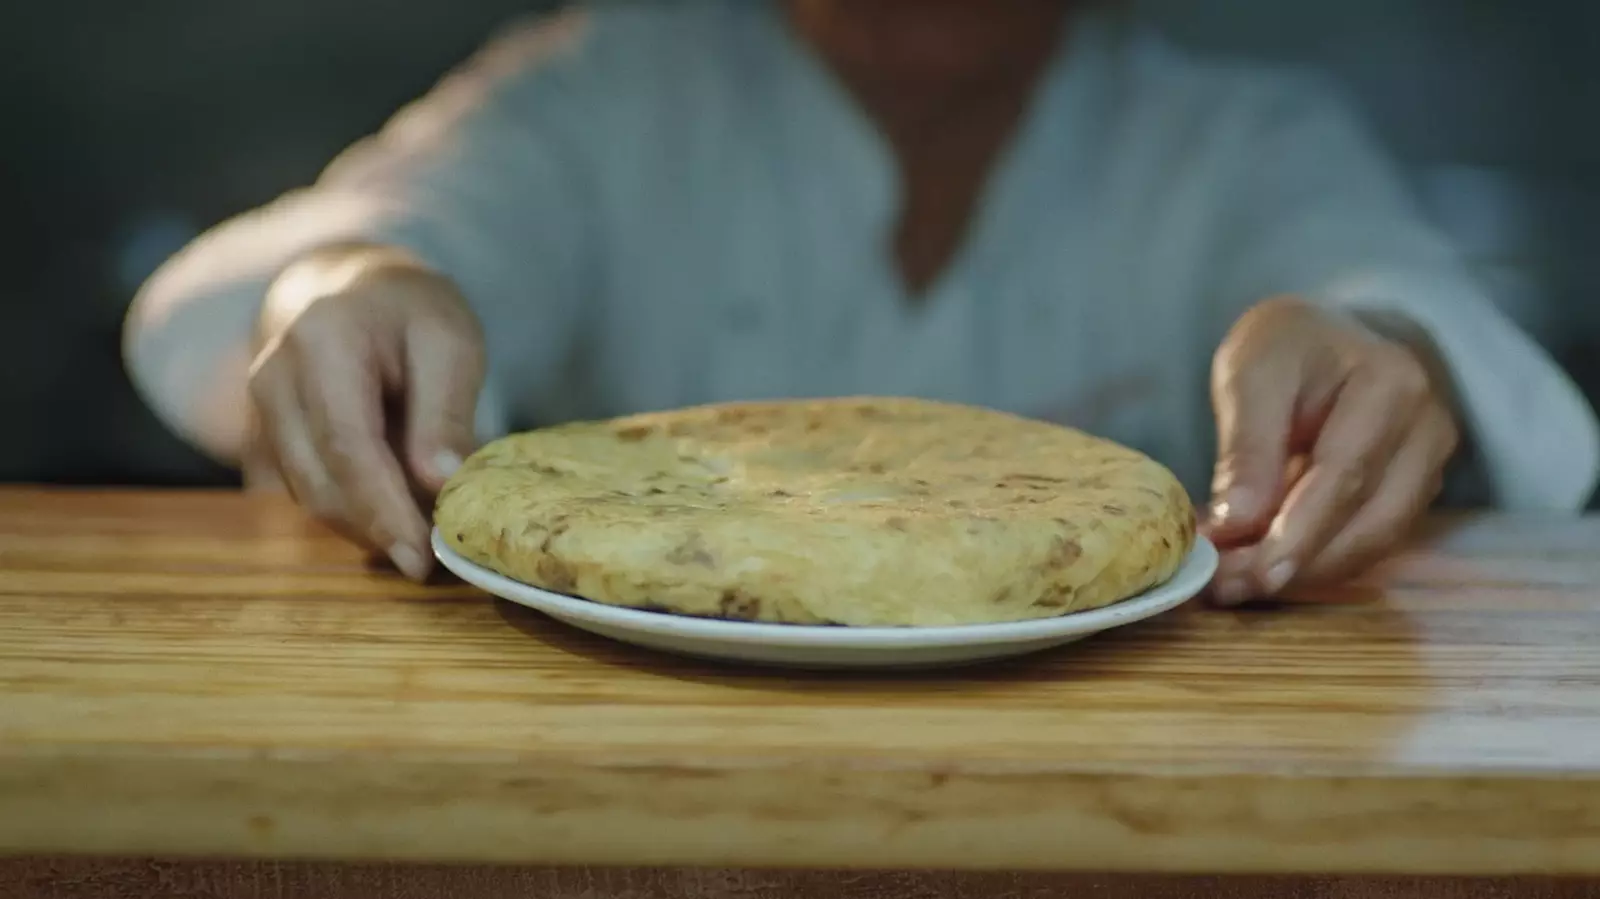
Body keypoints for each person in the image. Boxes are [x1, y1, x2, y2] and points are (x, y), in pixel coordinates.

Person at [123, 0, 1598, 605]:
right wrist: (351, 286)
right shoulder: (602, 94)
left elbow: (1385, 286)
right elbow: (357, 241)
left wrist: (1383, 347)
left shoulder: (1234, 142)